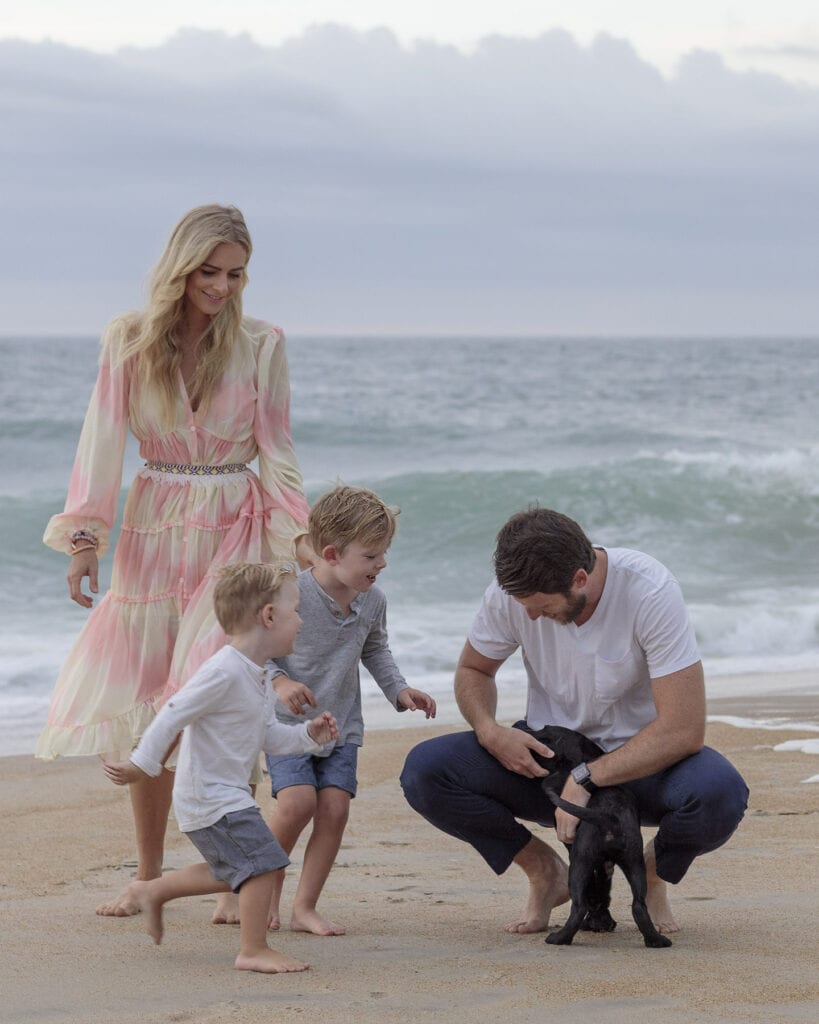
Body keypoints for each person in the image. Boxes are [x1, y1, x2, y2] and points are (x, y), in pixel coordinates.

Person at [37, 204, 312, 917]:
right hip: (153, 531)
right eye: (208, 272)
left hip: (233, 527)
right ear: (179, 267)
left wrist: (298, 540)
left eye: (235, 274)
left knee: (227, 697)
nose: (221, 286)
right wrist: (85, 538)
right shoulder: (128, 340)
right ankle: (147, 873)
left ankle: (234, 870)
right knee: (152, 706)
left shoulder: (261, 342)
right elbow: (99, 441)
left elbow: (276, 449)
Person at [400, 507, 748, 936]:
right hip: (551, 756)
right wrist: (489, 730)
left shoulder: (650, 590)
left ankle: (651, 877)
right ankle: (545, 872)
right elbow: (474, 671)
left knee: (720, 794)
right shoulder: (513, 595)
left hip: (645, 763)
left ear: (579, 579)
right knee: (425, 771)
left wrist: (587, 777)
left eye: (541, 608)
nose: (528, 617)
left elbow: (684, 728)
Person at [215, 484, 437, 935]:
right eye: (372, 556)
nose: (382, 564)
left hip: (341, 725)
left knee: (334, 809)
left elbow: (376, 650)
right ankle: (258, 892)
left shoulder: (373, 601)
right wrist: (280, 682)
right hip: (287, 726)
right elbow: (254, 648)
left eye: (384, 553)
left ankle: (305, 907)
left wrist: (399, 691)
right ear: (332, 553)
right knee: (296, 805)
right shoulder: (289, 594)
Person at [103, 562, 338, 974]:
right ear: (268, 616)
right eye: (295, 610)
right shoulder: (223, 669)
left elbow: (269, 738)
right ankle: (253, 949)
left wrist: (308, 737)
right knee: (264, 861)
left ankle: (153, 891)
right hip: (209, 794)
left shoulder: (258, 674)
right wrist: (144, 765)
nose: (301, 620)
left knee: (237, 868)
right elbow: (173, 712)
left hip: (222, 794)